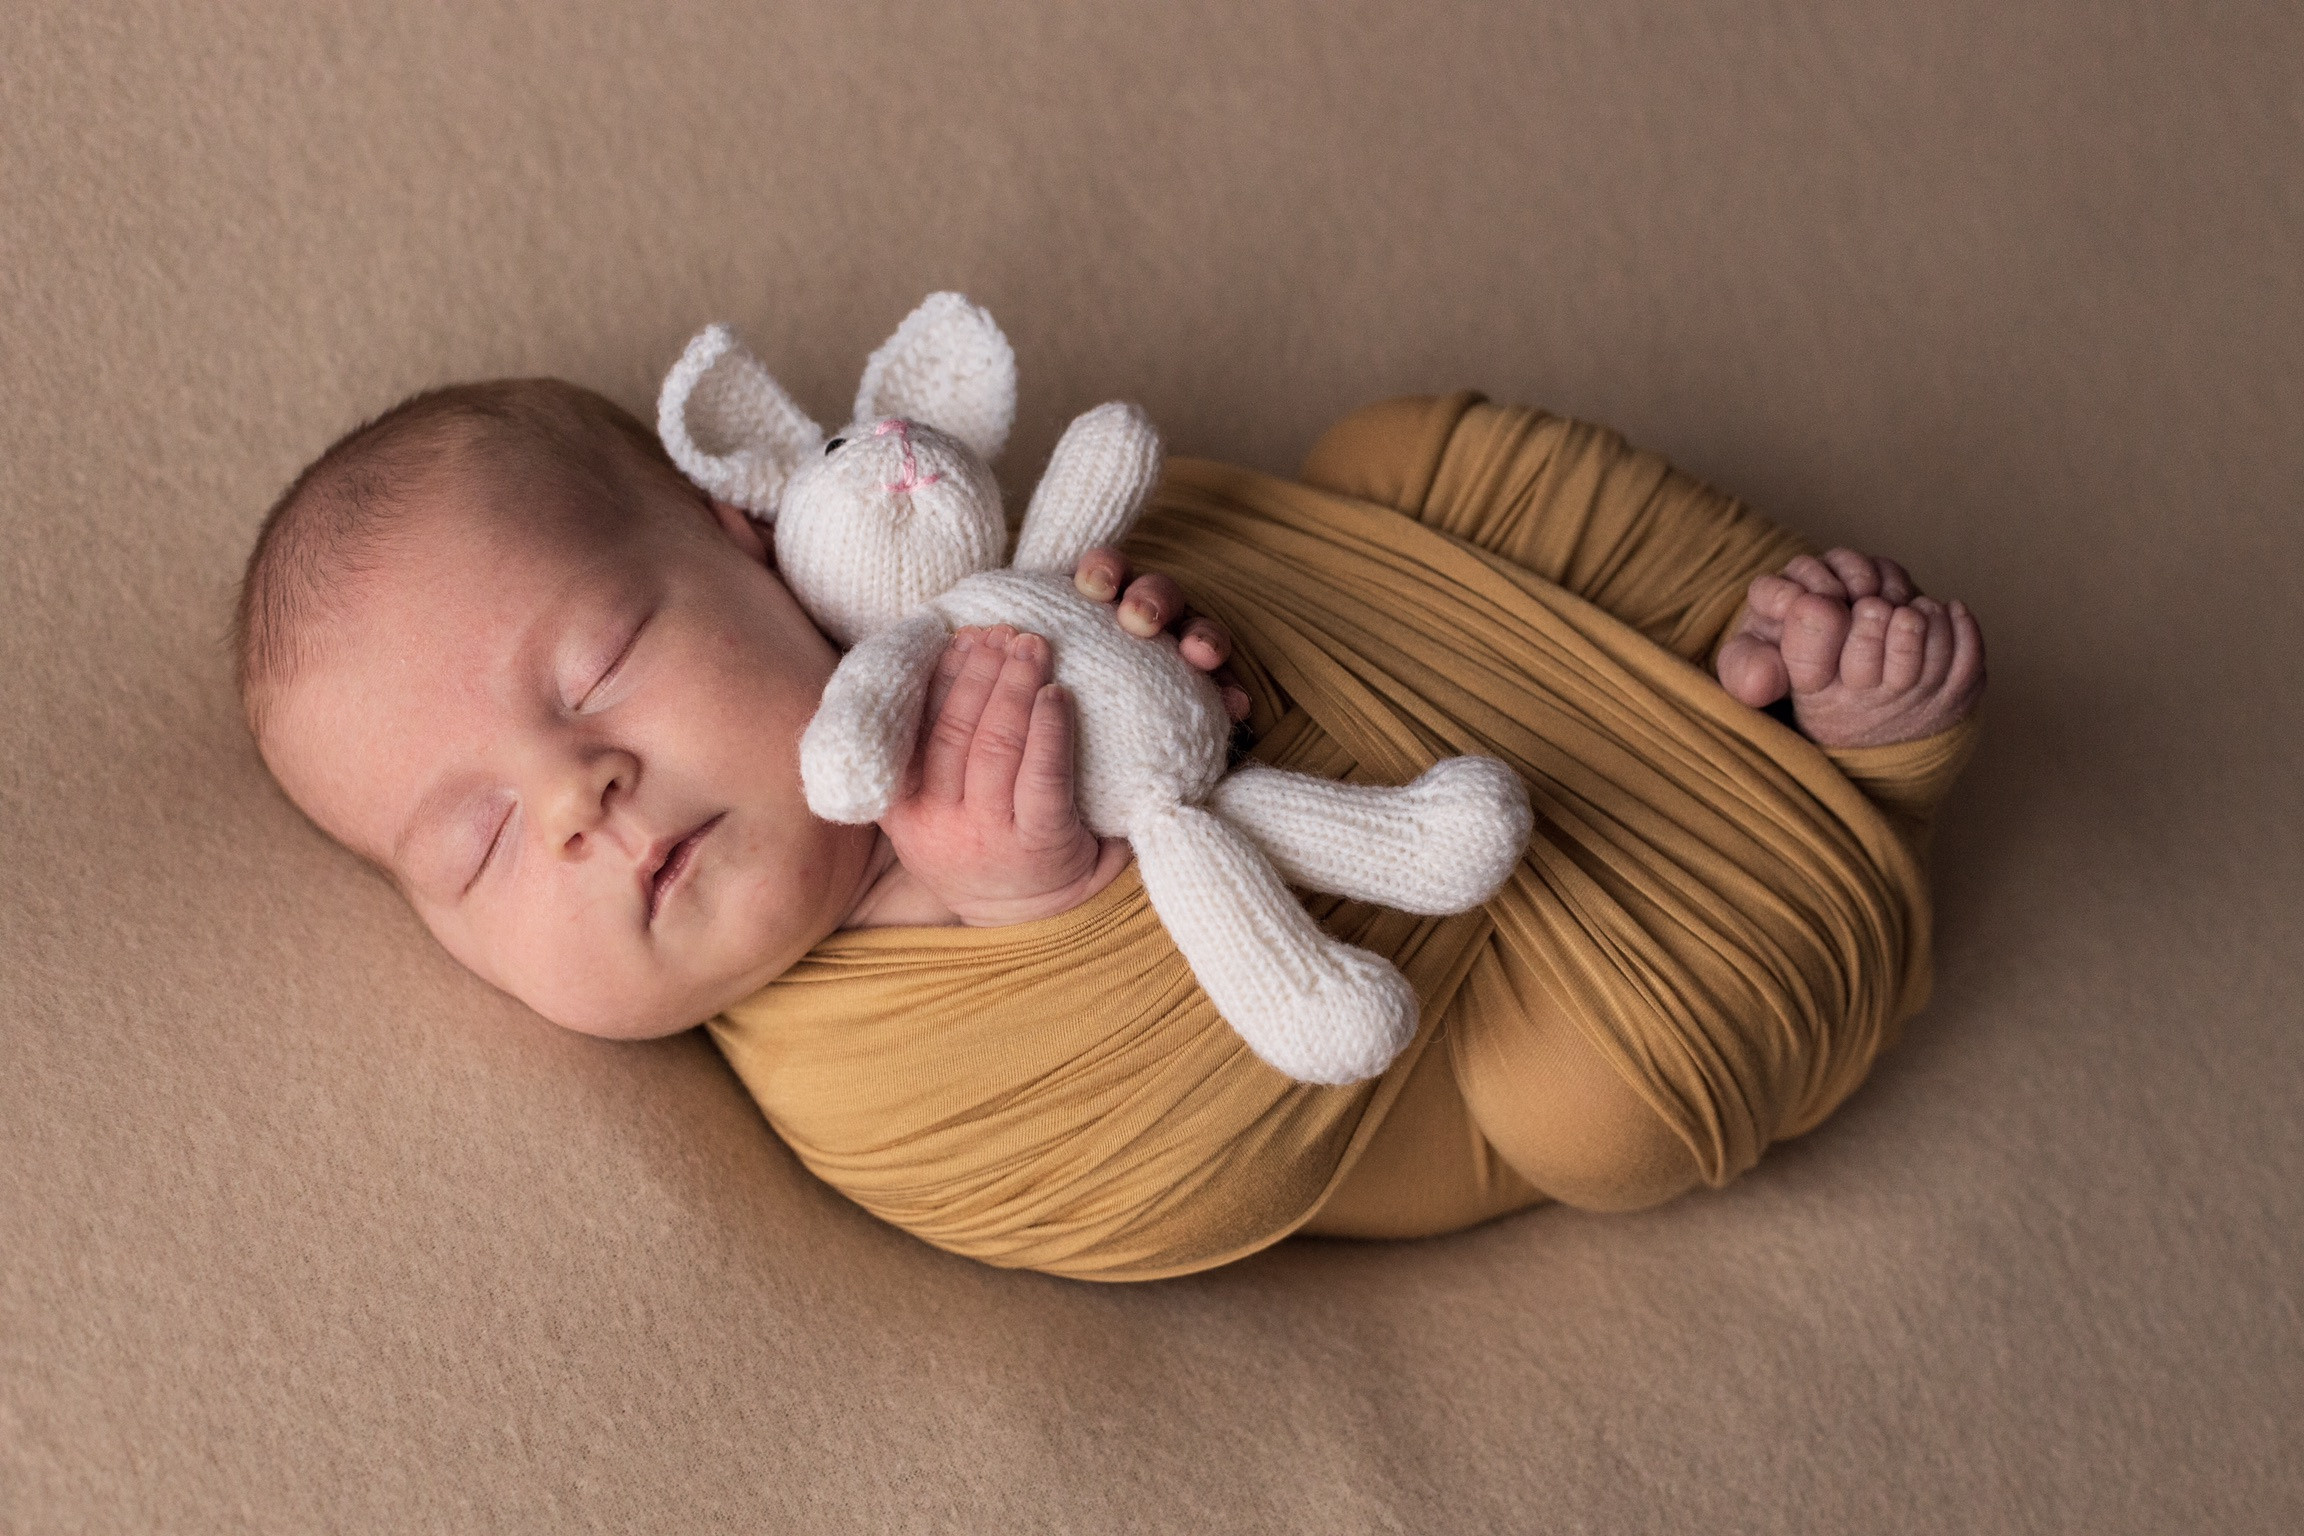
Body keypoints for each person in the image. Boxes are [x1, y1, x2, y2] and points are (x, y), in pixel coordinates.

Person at [237, 382, 1983, 1281]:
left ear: (744, 537)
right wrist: (1048, 893)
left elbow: (1265, 545)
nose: (570, 800)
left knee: (1401, 444)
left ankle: (1742, 642)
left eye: (601, 663)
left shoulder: (953, 593)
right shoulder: (851, 1074)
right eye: (466, 849)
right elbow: (1194, 1177)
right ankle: (1847, 773)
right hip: (1526, 987)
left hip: (1465, 638)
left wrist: (1180, 638)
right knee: (1596, 1105)